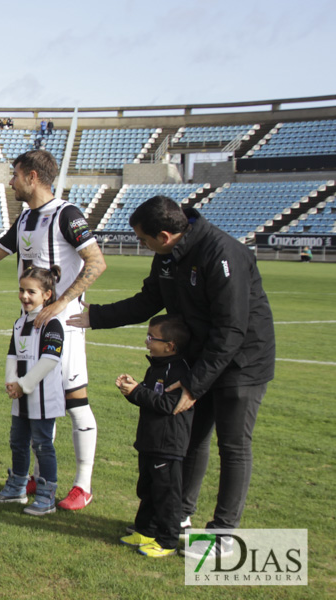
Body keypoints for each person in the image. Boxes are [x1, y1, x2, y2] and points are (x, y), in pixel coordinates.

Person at [68, 195, 275, 561]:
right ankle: (176, 517)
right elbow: (150, 299)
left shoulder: (222, 253)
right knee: (191, 440)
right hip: (199, 358)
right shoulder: (167, 254)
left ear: (164, 235)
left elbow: (231, 330)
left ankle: (223, 533)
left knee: (233, 446)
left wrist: (195, 385)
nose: (142, 246)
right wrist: (95, 315)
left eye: (144, 240)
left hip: (242, 363)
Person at [0, 149, 107, 512]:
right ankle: (32, 479)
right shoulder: (27, 217)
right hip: (30, 324)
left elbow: (97, 261)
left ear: (32, 176)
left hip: (65, 324)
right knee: (36, 404)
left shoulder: (68, 215)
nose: (10, 182)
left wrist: (61, 303)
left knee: (75, 402)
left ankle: (82, 484)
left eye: (14, 175)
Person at [0, 266, 66, 516]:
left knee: (42, 445)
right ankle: (16, 487)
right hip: (20, 398)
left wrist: (24, 384)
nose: (24, 296)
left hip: (42, 398)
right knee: (18, 442)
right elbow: (12, 354)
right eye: (21, 290)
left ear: (47, 295)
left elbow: (49, 360)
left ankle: (46, 496)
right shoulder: (20, 322)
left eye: (31, 291)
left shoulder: (52, 323)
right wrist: (11, 382)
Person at [115, 315, 194, 558]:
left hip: (167, 445)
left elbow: (169, 405)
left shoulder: (180, 371)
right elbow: (149, 399)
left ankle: (168, 540)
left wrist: (138, 391)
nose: (147, 341)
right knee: (147, 489)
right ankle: (146, 530)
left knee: (166, 495)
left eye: (152, 338)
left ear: (169, 345)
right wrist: (132, 391)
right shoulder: (156, 367)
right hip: (150, 441)